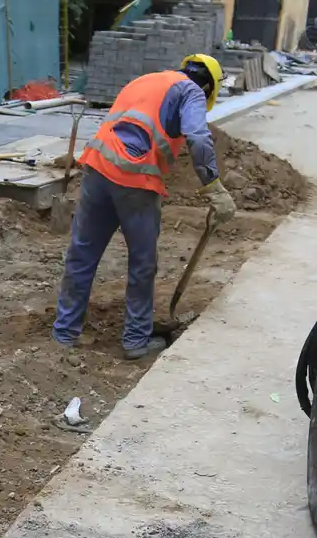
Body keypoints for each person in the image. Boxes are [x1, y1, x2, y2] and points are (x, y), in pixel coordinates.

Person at [52, 54, 236, 360]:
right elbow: (199, 139)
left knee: (82, 253)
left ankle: (64, 333)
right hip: (135, 180)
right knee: (142, 263)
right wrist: (213, 187)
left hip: (97, 168)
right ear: (207, 88)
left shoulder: (148, 80)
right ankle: (136, 341)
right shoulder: (190, 91)